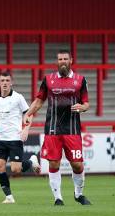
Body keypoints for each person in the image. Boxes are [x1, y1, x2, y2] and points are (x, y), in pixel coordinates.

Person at [23, 50, 92, 206]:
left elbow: (87, 103)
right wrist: (28, 113)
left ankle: (78, 194)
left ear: (71, 60)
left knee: (77, 164)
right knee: (54, 163)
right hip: (53, 128)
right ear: (57, 61)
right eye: (60, 59)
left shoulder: (80, 80)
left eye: (65, 59)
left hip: (72, 129)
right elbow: (39, 101)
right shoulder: (48, 80)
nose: (62, 61)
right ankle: (58, 198)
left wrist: (82, 107)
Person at [0, 71, 41, 204]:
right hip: (0, 139)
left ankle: (31, 162)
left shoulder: (18, 98)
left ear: (11, 82)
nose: (5, 83)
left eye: (7, 80)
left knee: (16, 169)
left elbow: (29, 114)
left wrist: (26, 129)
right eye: (2, 81)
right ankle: (9, 197)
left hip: (15, 138)